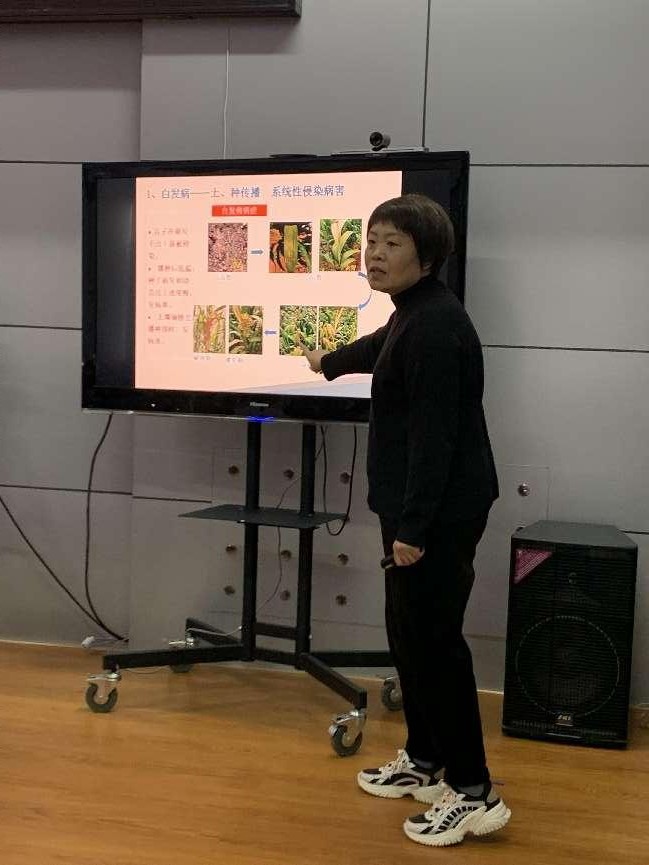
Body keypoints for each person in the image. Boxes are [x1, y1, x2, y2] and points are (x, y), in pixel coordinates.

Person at [301, 193, 511, 847]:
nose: (374, 253)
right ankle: (425, 759)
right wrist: (330, 361)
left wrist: (414, 530)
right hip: (414, 509)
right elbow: (380, 346)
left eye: (392, 243)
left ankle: (473, 792)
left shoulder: (438, 327)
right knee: (408, 636)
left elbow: (435, 439)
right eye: (371, 240)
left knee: (436, 644)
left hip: (437, 514)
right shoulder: (412, 313)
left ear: (427, 256)